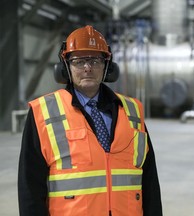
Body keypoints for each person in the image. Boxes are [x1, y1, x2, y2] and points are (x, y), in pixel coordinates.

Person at [18, 25, 162, 216]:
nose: (87, 68)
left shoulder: (132, 111)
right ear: (66, 67)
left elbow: (149, 181)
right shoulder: (44, 112)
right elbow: (30, 187)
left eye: (95, 60)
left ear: (107, 66)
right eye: (79, 61)